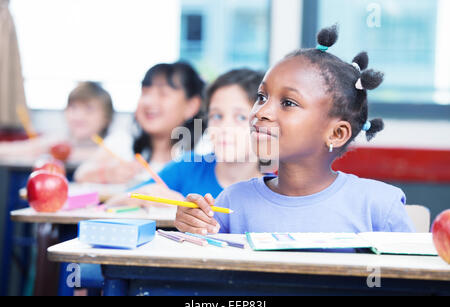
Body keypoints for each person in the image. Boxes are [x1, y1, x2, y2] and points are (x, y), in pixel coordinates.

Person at [174, 25, 415, 235]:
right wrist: (193, 228)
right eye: (261, 97)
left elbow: (411, 284)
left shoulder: (379, 206)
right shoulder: (231, 202)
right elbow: (211, 279)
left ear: (336, 134)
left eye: (288, 103)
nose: (261, 112)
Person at [107, 69, 266, 207]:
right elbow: (112, 204)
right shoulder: (187, 167)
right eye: (217, 116)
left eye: (240, 117)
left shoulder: (278, 183)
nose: (224, 128)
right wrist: (145, 195)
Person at [74, 62, 205, 185]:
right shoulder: (123, 142)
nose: (148, 101)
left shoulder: (203, 151)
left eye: (163, 94)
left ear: (191, 106)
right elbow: (80, 175)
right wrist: (107, 174)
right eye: (145, 92)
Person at [0, 81, 114, 162]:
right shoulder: (59, 140)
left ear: (106, 118)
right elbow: (23, 148)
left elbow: (108, 156)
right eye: (73, 107)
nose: (78, 116)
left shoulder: (114, 142)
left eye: (89, 109)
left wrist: (62, 153)